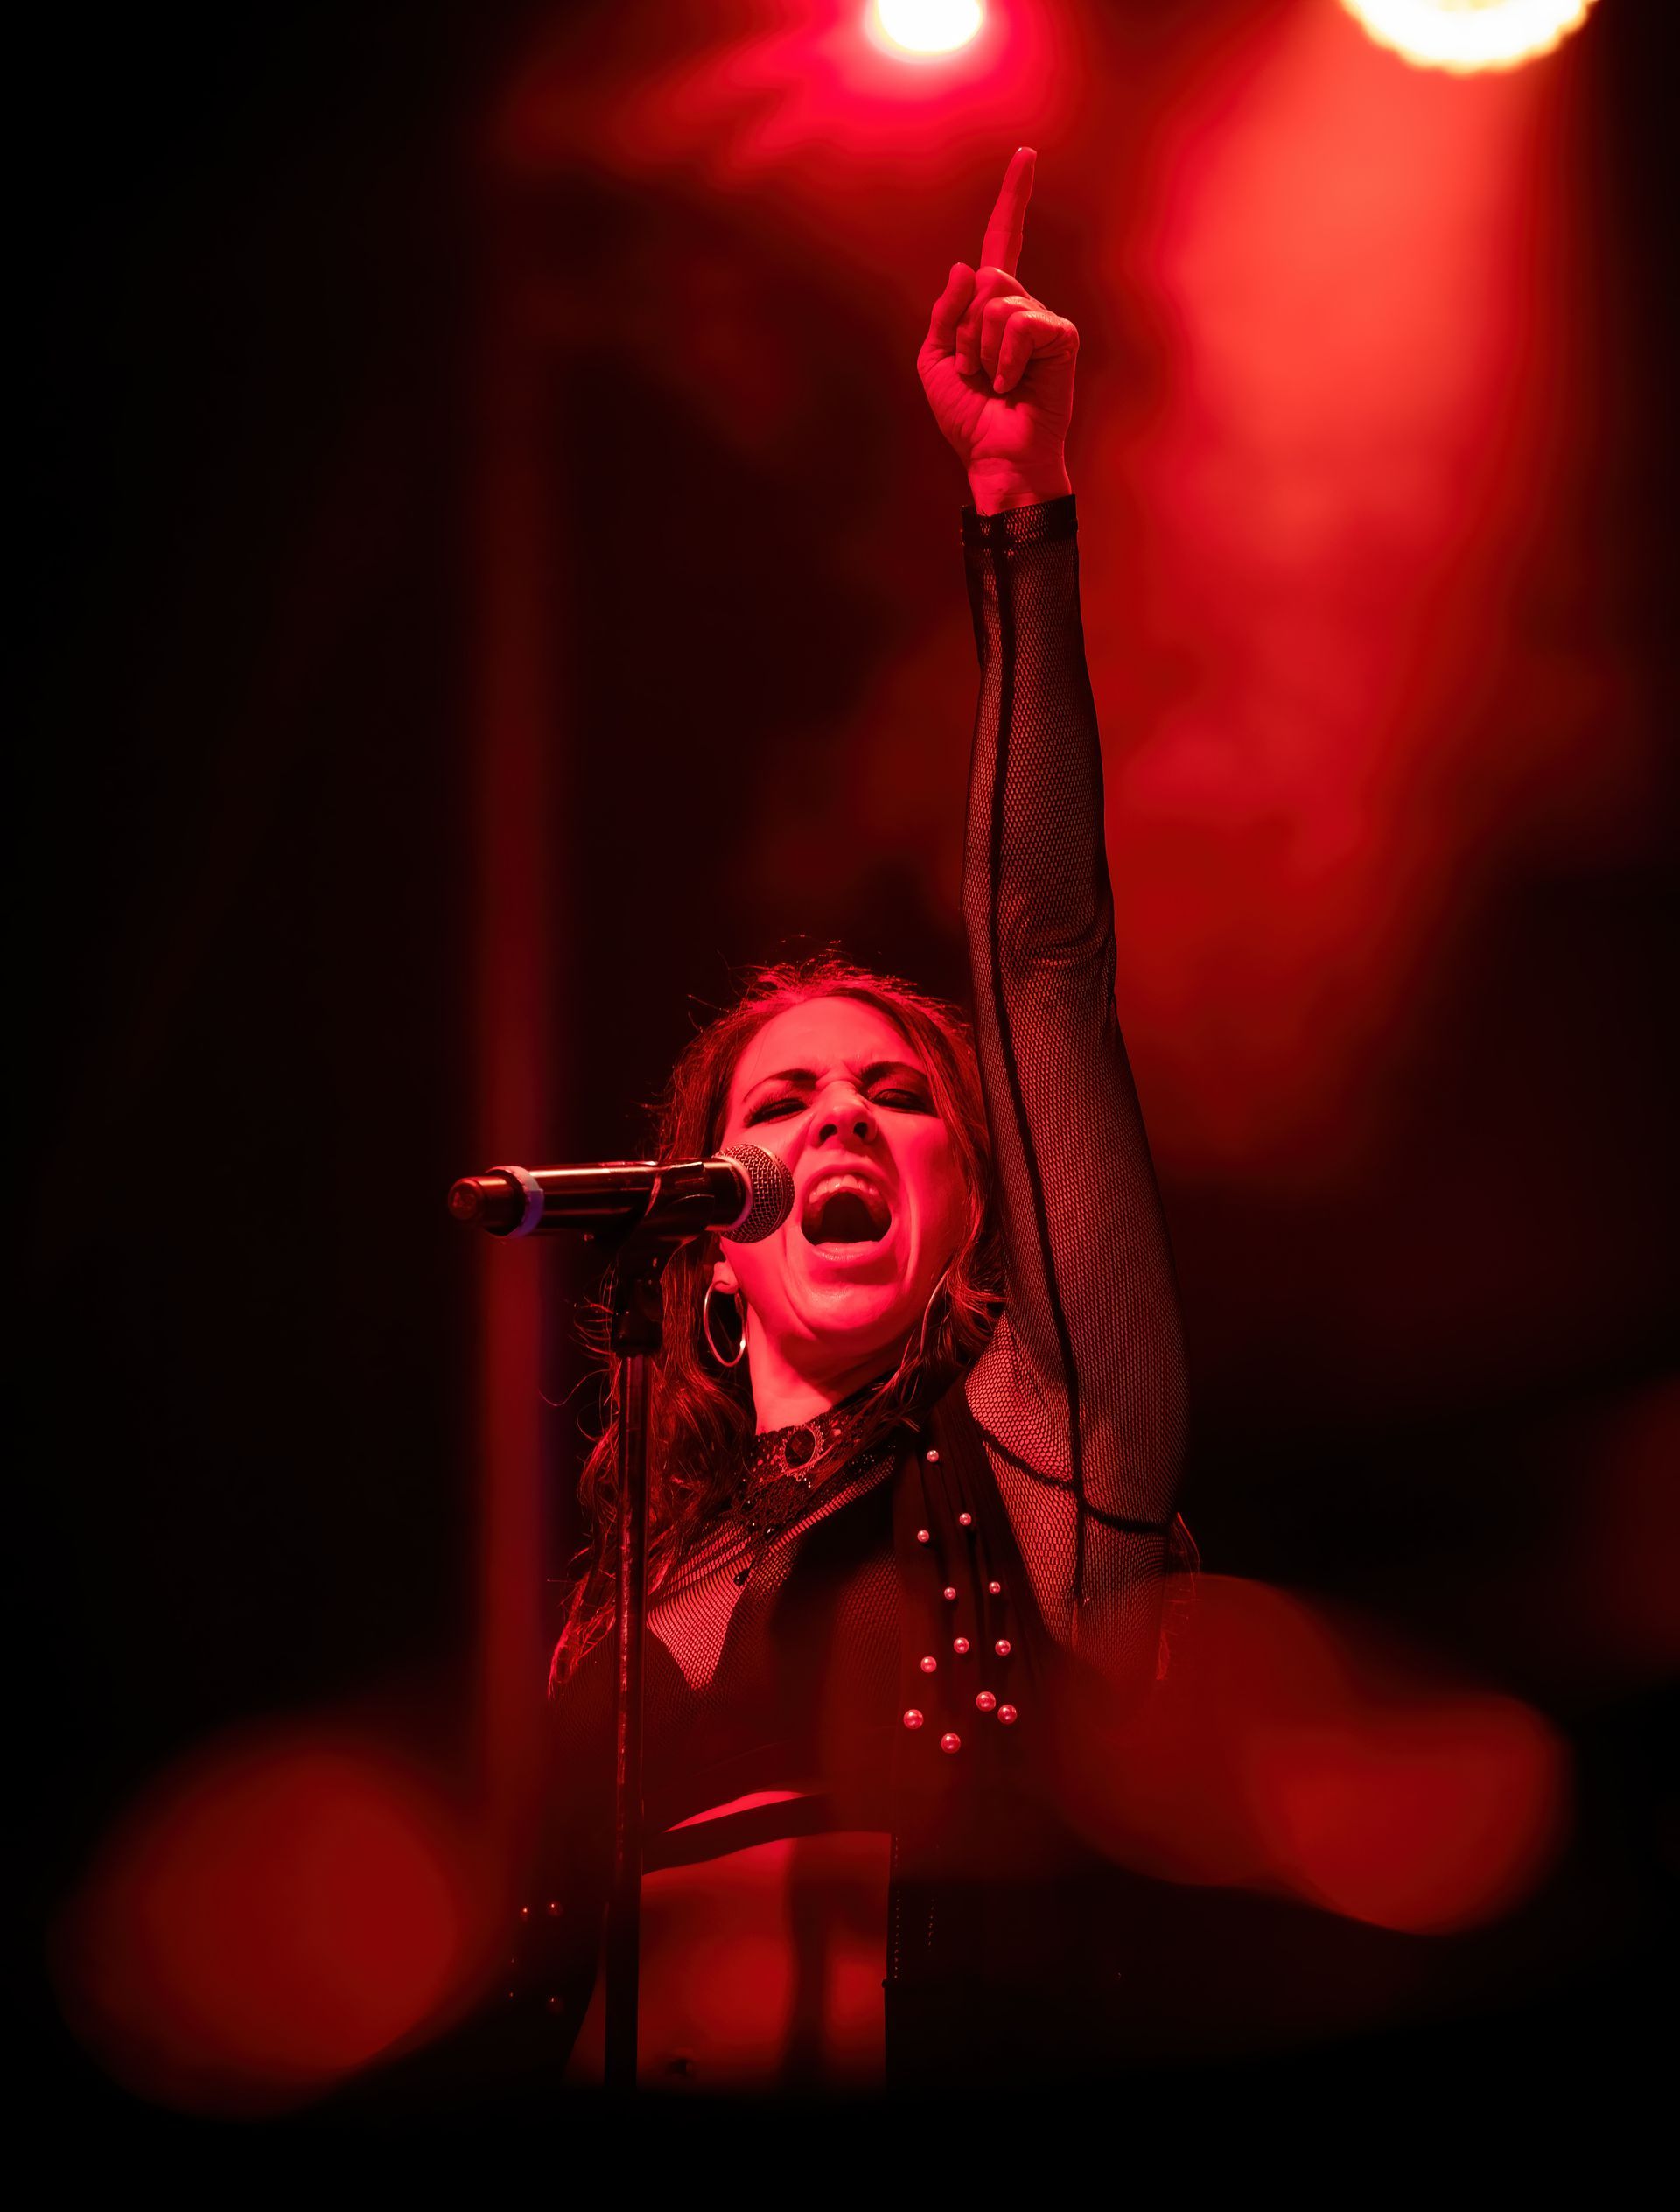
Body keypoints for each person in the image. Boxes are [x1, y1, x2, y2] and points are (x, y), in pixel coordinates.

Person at [515, 148, 1192, 2096]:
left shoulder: (1057, 1452)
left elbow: (1044, 954)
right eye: (785, 1101)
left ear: (979, 1202)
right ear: (712, 1231)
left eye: (902, 1097)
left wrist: (1017, 504)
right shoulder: (619, 1606)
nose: (843, 1125)